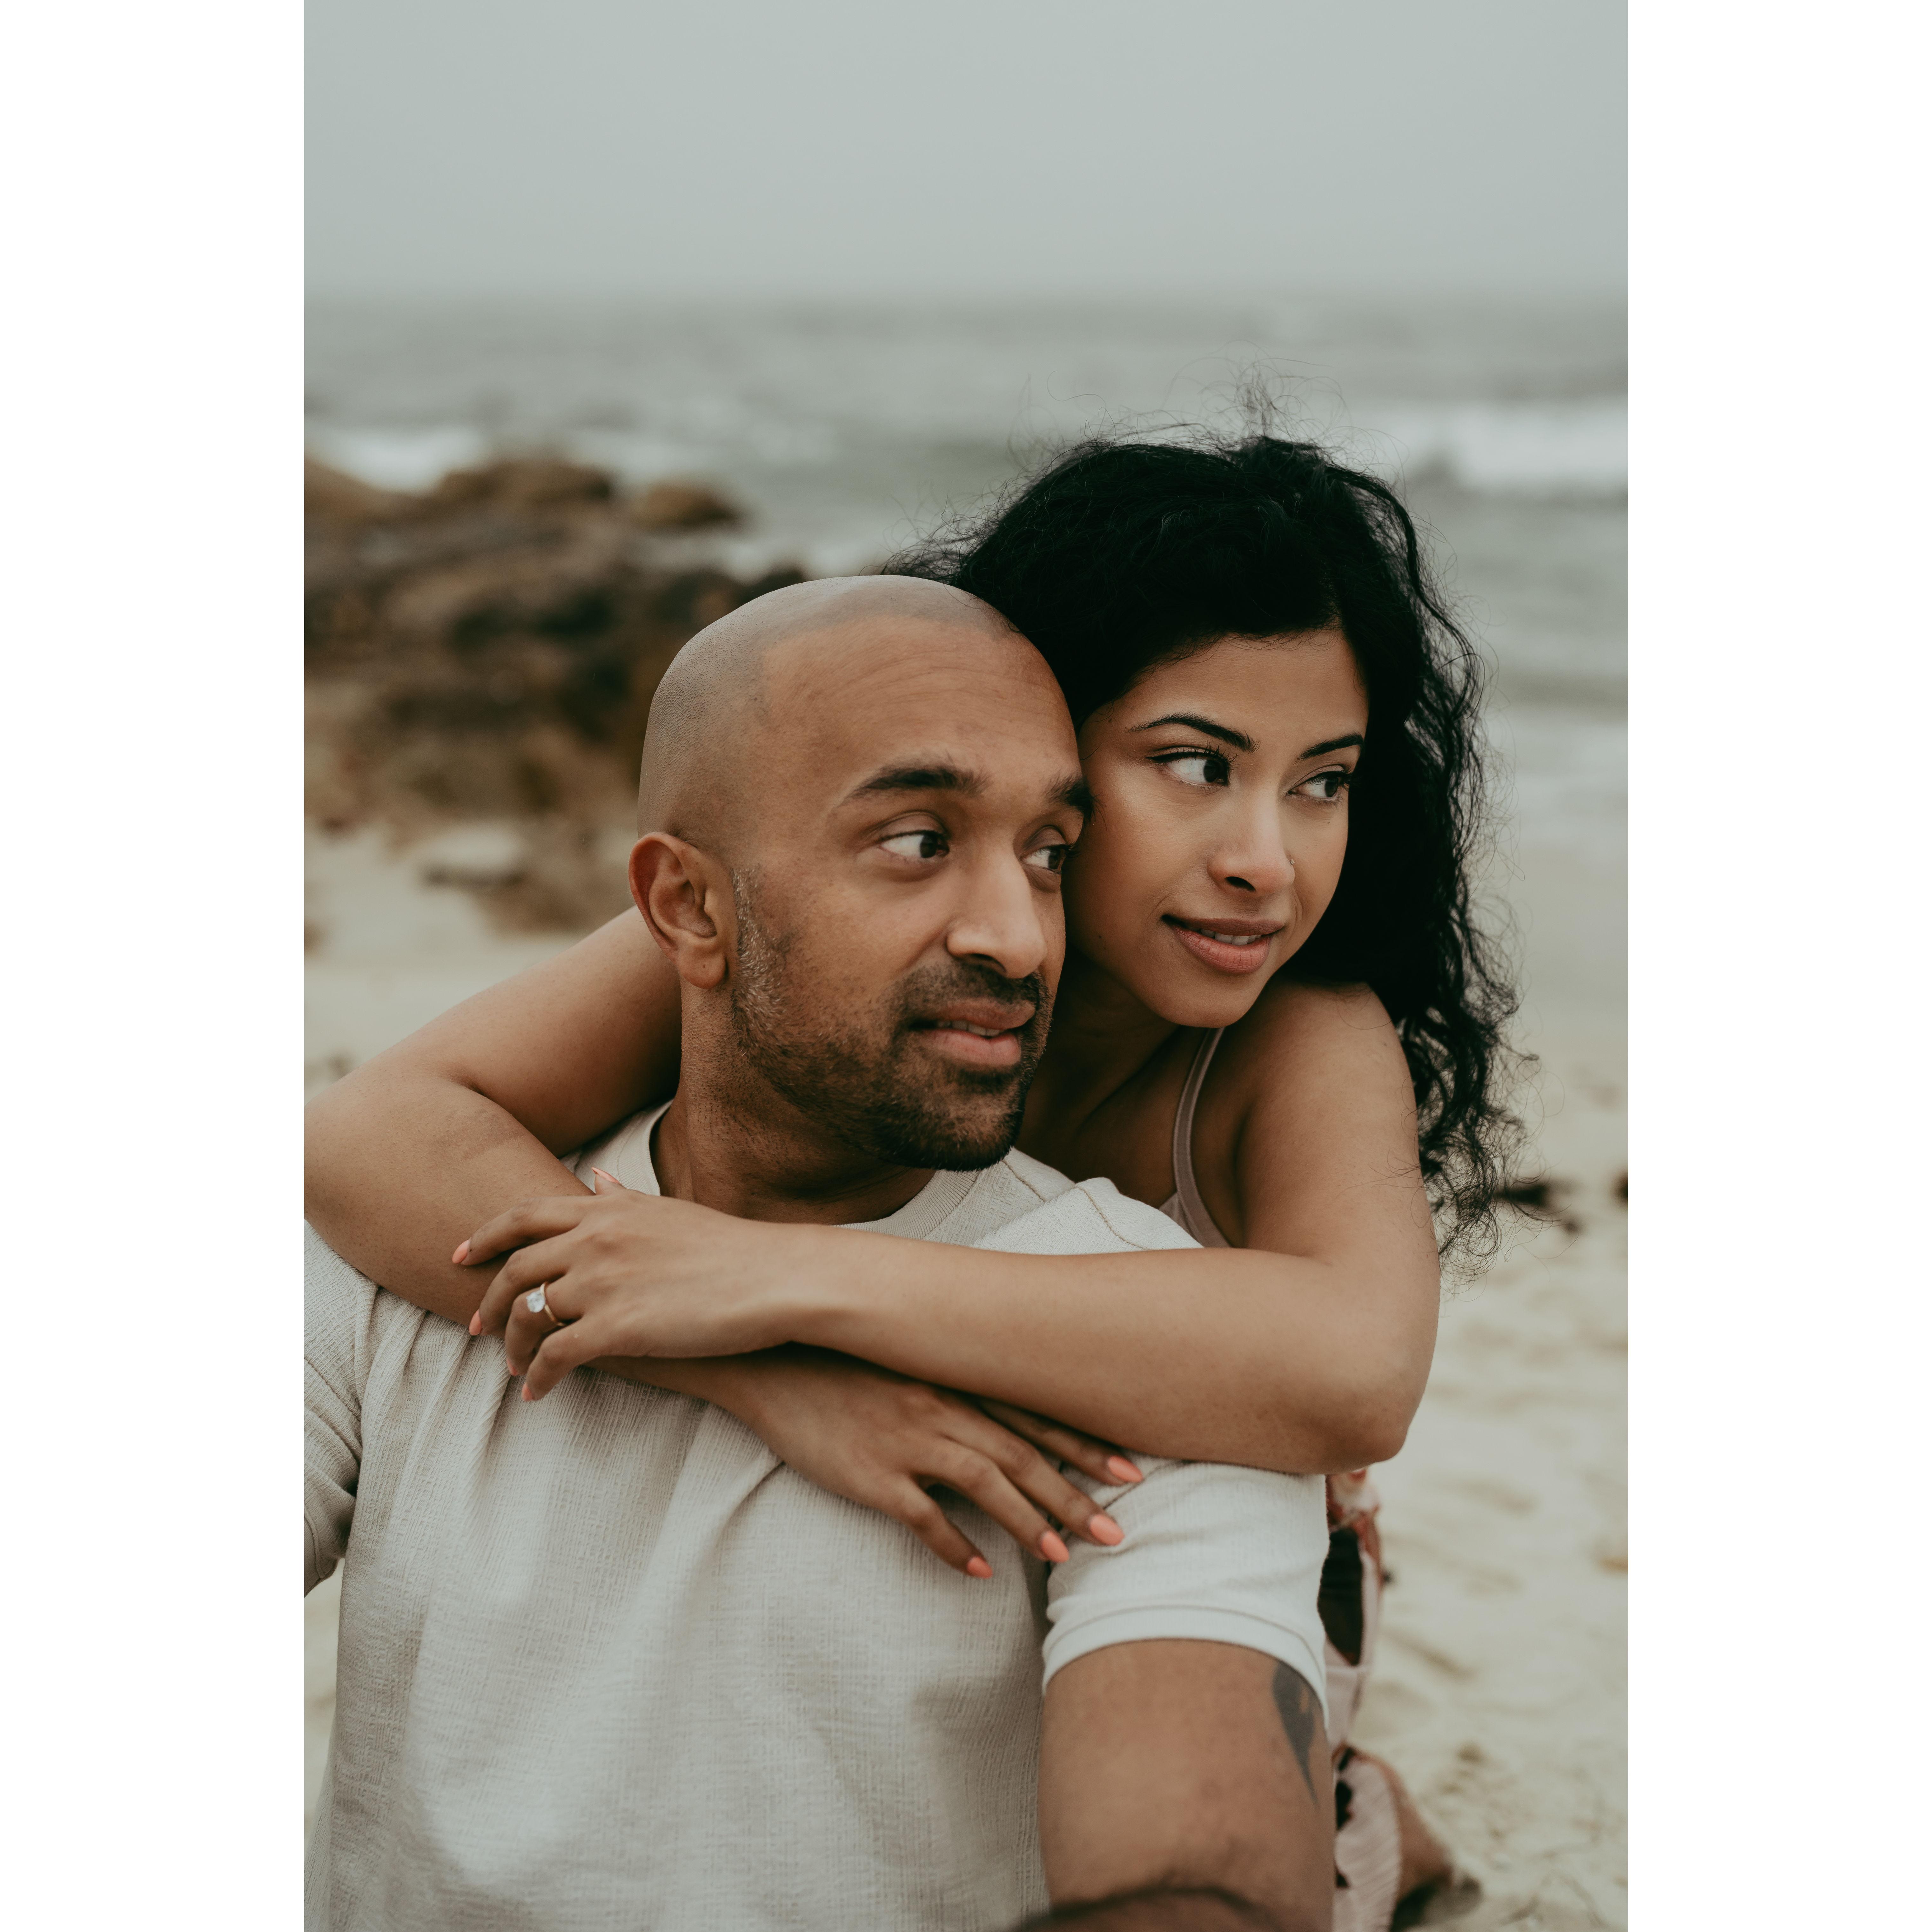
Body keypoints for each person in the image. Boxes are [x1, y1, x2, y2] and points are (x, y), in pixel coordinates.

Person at [307, 429, 1516, 1927]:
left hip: (1246, 1498)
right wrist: (774, 1376)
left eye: (1322, 784)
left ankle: (1375, 1828)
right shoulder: (784, 926)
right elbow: (374, 1134)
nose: (1267, 858)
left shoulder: (1295, 1036)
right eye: (1198, 767)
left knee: (1293, 1806)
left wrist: (783, 1278)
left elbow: (1351, 1368)